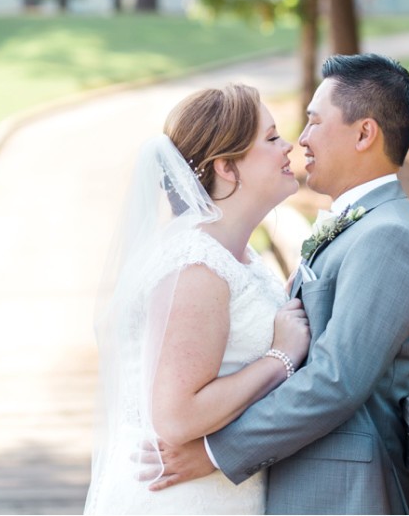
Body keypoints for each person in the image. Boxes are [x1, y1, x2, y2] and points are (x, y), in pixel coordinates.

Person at [149, 53, 409, 514]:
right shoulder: (360, 226)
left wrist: (215, 452)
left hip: (344, 493)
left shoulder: (388, 236)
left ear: (364, 133)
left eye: (314, 122)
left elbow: (337, 379)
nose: (299, 141)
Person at [83, 83, 311, 515]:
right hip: (182, 499)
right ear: (226, 166)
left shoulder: (235, 255)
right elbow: (176, 417)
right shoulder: (196, 266)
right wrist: (279, 358)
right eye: (271, 137)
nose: (289, 147)